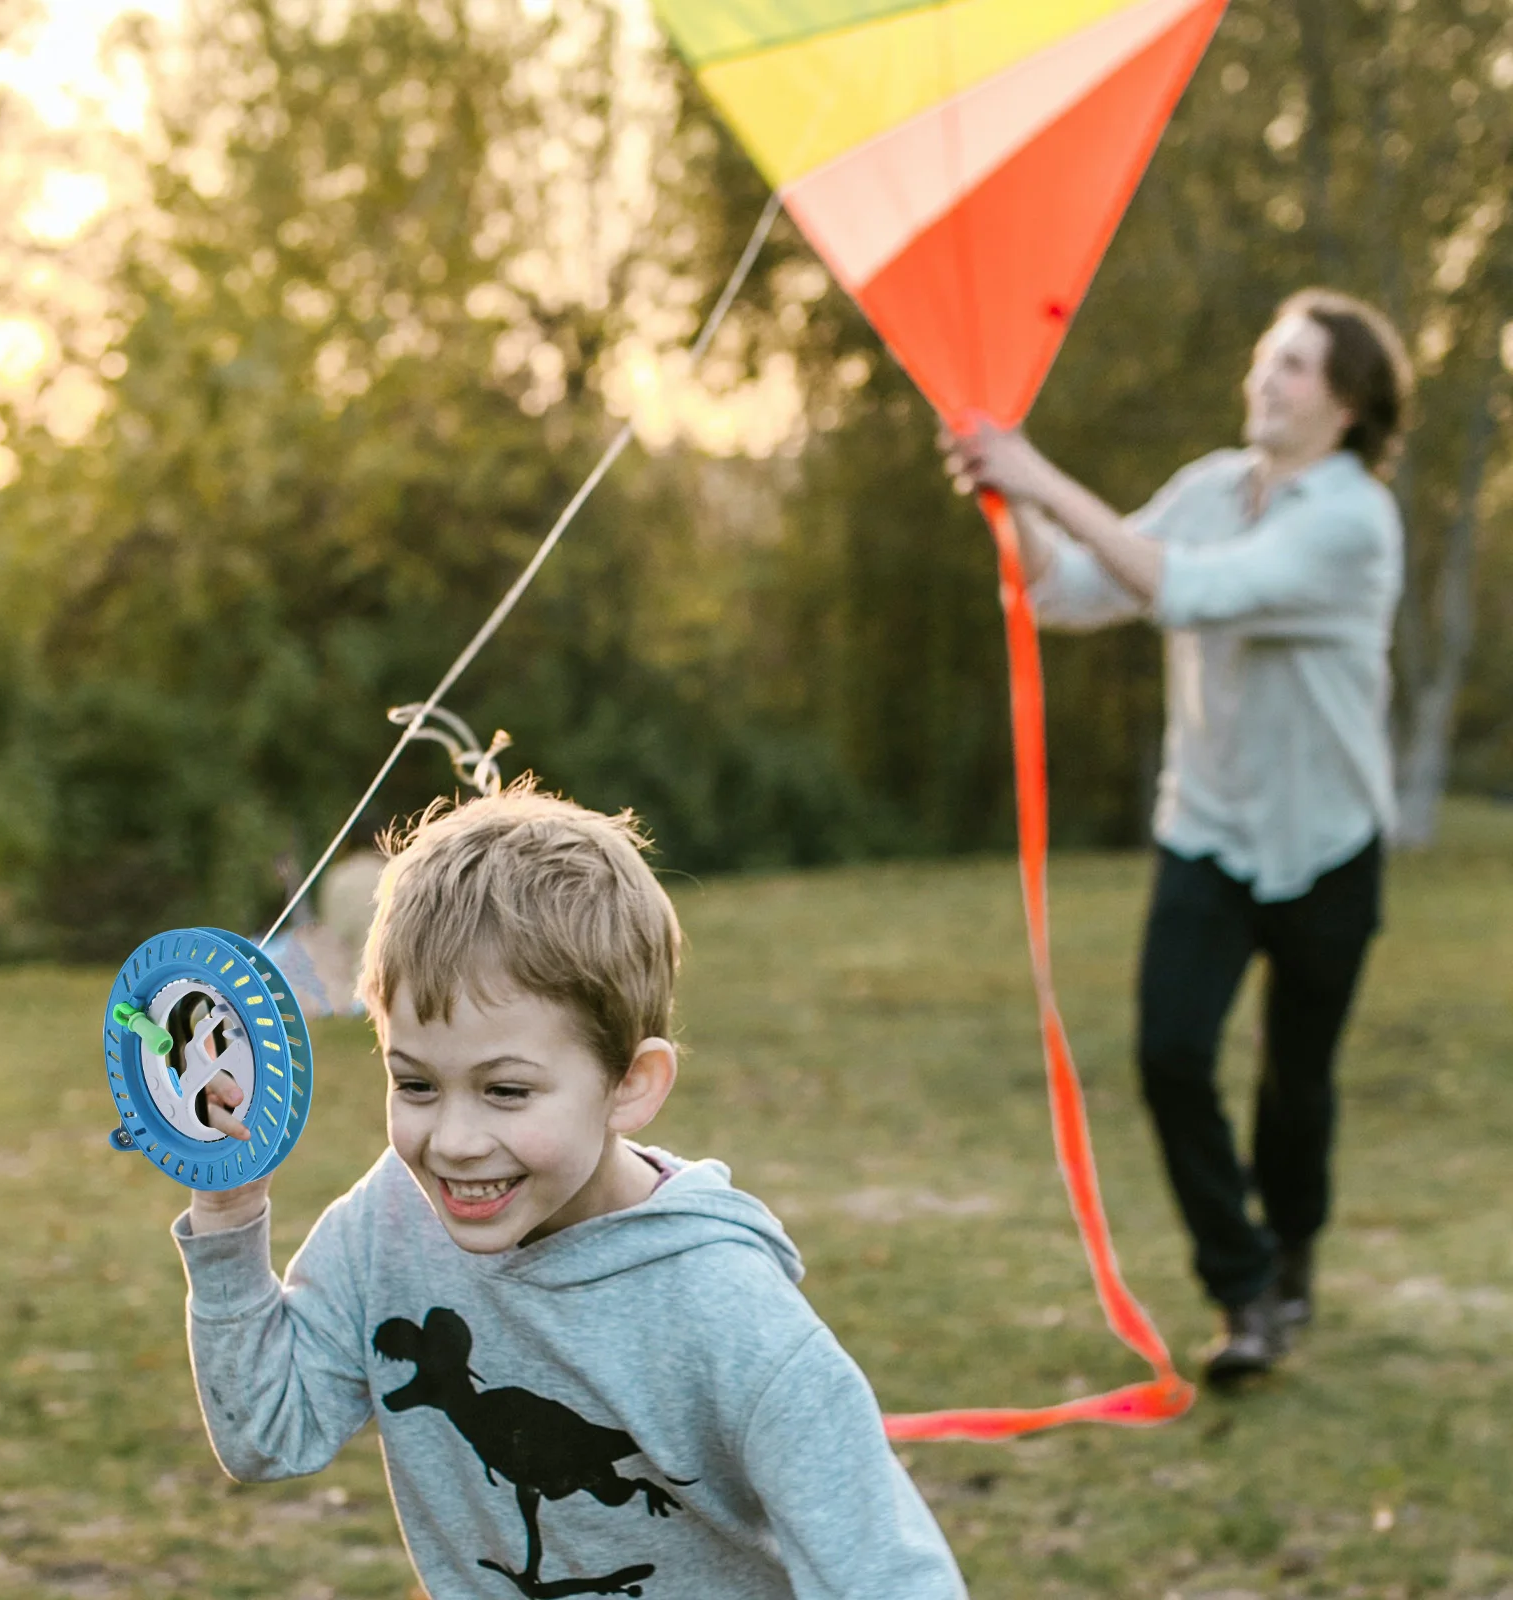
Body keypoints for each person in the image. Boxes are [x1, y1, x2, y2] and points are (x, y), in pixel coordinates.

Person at [173, 780, 967, 1599]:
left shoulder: (730, 1314)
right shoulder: (391, 1223)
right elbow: (264, 1434)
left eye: (506, 1090)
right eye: (414, 1084)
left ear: (630, 1084)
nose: (452, 1142)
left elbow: (892, 1574)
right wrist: (229, 1212)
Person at [947, 288, 1412, 1385]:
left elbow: (1191, 594)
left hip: (1329, 844)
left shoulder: (1352, 521)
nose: (1266, 376)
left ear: (1344, 403)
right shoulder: (1211, 488)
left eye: (1294, 364)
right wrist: (1002, 499)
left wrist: (1035, 471)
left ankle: (1290, 1254)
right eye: (1266, 354)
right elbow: (1068, 593)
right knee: (1168, 1053)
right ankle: (1243, 1289)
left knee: (1296, 1083)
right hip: (1206, 829)